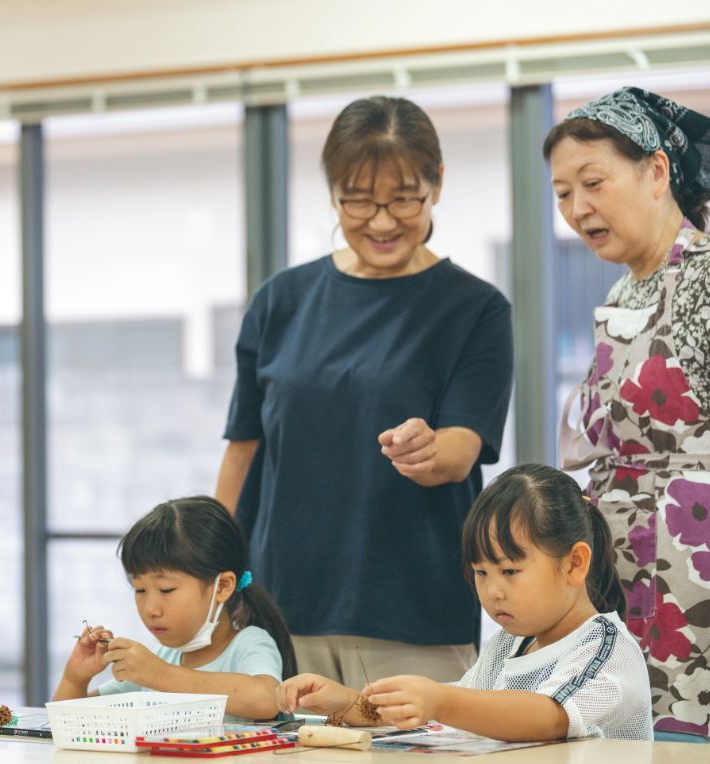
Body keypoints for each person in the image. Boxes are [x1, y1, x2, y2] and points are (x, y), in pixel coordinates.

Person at [216, 96, 513, 686]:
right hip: (281, 611)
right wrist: (207, 567)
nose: (381, 222)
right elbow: (244, 451)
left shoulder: (475, 309)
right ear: (333, 193)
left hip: (415, 617)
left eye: (404, 198)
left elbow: (460, 451)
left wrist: (428, 448)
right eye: (358, 200)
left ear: (437, 183)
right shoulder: (281, 301)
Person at [546, 87, 710, 745]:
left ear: (656, 171)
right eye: (562, 193)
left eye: (593, 183)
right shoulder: (626, 289)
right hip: (624, 587)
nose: (577, 208)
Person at [276, 464, 652, 742]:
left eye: (510, 571)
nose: (493, 592)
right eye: (480, 572)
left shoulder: (605, 648)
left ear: (574, 564)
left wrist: (439, 699)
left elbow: (549, 717)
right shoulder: (510, 643)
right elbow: (458, 715)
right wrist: (346, 702)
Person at [53, 496, 296, 720]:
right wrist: (75, 678)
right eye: (140, 590)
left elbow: (266, 699)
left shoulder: (248, 644)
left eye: (166, 589)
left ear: (222, 586)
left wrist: (160, 675)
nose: (151, 610)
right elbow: (68, 720)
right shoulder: (161, 658)